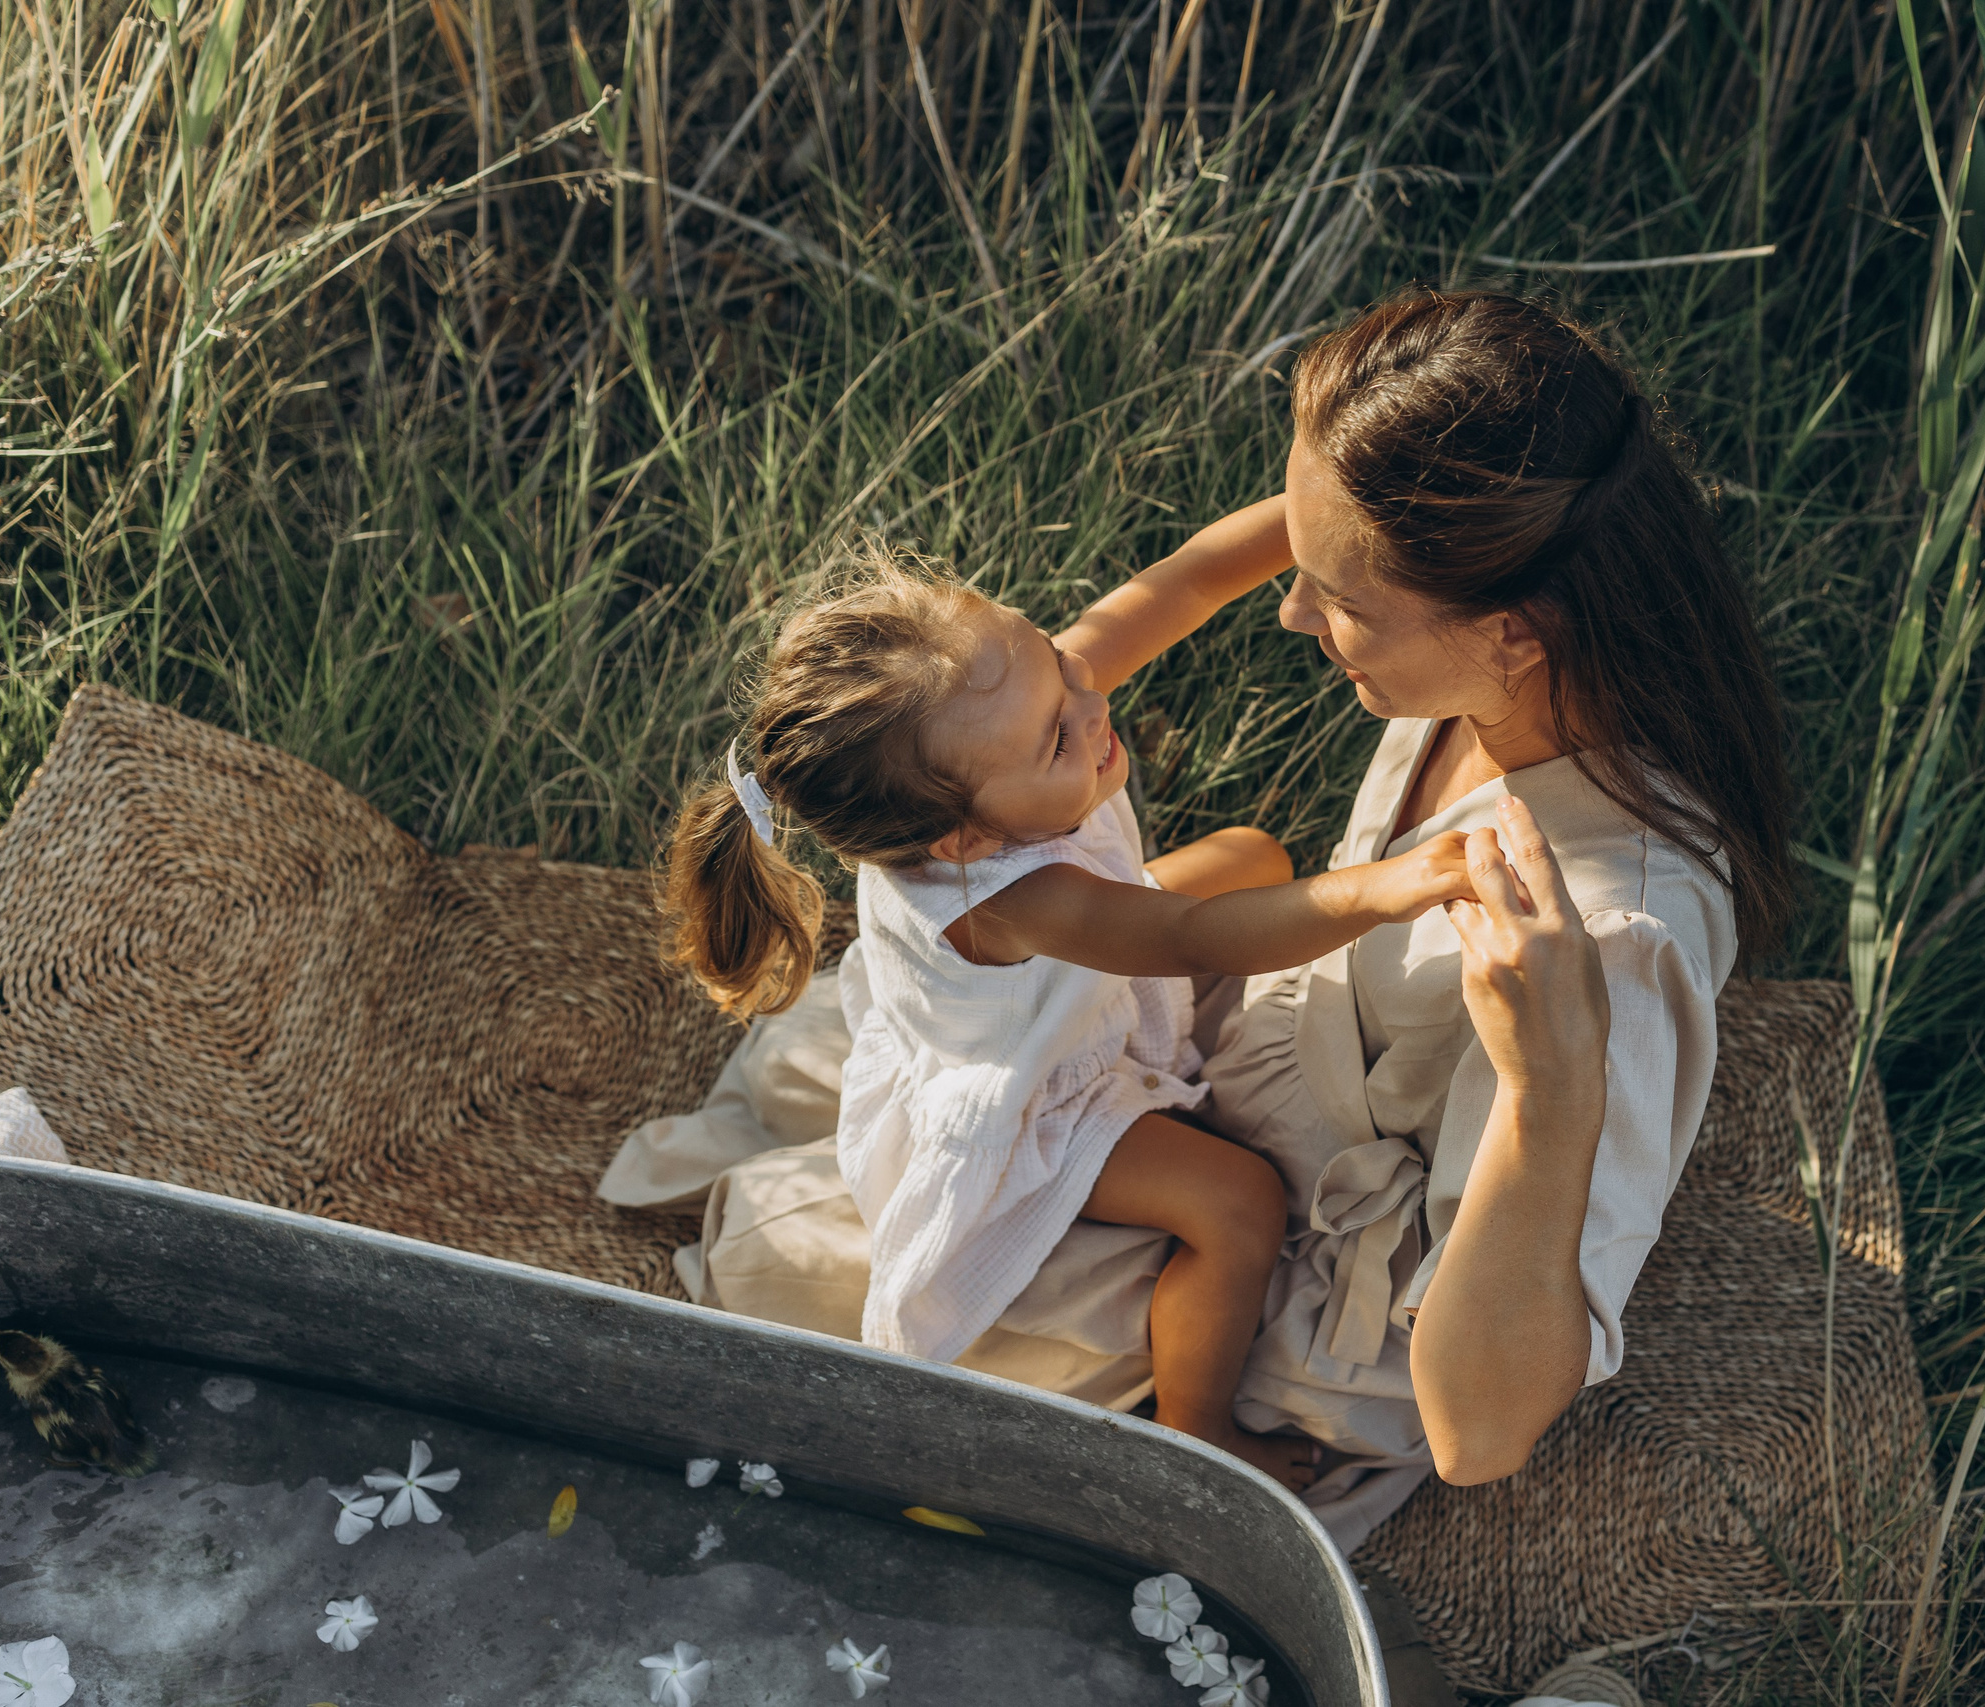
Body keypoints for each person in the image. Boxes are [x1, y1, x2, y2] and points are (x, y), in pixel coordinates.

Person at [601, 287, 1794, 1548]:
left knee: (787, 1256)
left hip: (1307, 1253)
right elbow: (1211, 611)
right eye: (1308, 560)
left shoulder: (1603, 944)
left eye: (1339, 597)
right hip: (1244, 1050)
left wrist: (1551, 1090)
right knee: (867, 1080)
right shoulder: (1493, 675)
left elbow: (1480, 1434)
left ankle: (1189, 1420)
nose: (1292, 612)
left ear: (1509, 631)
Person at [654, 539, 1475, 1487]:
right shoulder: (1006, 896)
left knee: (1252, 852)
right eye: (1057, 734)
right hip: (1042, 1091)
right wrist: (1386, 888)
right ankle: (1197, 1426)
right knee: (1238, 1201)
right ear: (963, 838)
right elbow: (1193, 937)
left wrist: (1312, 517)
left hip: (1062, 990)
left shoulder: (1004, 721)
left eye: (1058, 657)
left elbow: (1182, 584)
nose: (1092, 704)